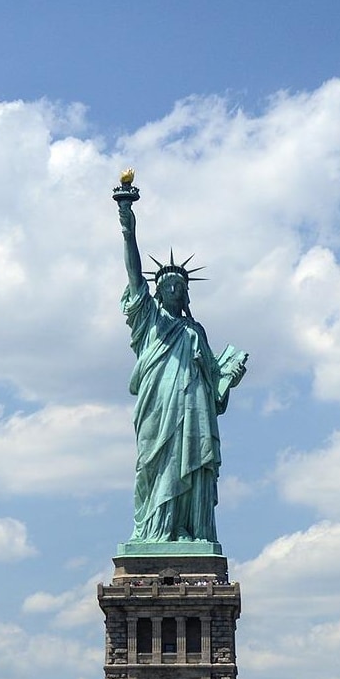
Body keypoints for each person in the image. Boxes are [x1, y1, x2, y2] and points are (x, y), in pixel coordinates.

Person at [117, 194, 247, 544]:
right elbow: (133, 275)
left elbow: (213, 381)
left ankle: (186, 528)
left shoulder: (195, 331)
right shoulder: (149, 321)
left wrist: (228, 378)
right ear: (157, 292)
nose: (173, 288)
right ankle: (155, 530)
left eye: (179, 285)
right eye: (166, 285)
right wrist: (127, 224)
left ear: (186, 293)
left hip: (193, 410)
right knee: (154, 464)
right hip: (157, 408)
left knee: (188, 461)